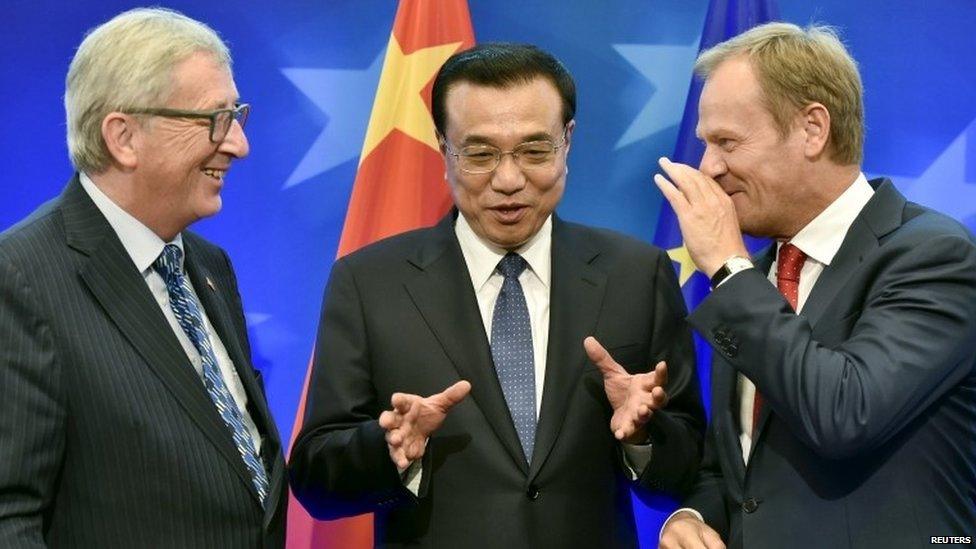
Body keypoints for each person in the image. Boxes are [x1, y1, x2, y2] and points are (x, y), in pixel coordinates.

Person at [289, 43, 705, 548]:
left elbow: (692, 467)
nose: (508, 181)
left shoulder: (637, 275)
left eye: (535, 151)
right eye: (480, 154)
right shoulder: (369, 282)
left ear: (567, 141)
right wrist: (391, 449)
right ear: (444, 148)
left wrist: (642, 436)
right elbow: (315, 479)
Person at [655, 22, 976, 549]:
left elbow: (845, 415)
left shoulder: (933, 255)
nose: (708, 167)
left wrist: (729, 270)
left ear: (812, 129)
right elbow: (740, 466)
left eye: (727, 142)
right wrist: (692, 516)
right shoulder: (755, 278)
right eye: (706, 144)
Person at [0, 8, 287, 548]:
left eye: (237, 115)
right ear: (123, 136)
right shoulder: (18, 280)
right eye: (214, 119)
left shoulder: (208, 266)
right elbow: (8, 516)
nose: (238, 145)